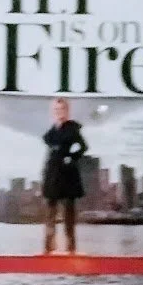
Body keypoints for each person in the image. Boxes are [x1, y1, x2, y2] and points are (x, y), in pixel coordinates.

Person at [42, 97, 88, 254]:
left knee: (68, 214)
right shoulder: (51, 132)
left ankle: (71, 248)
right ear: (53, 112)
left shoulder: (72, 129)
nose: (59, 112)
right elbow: (50, 151)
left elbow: (84, 147)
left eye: (61, 109)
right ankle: (48, 248)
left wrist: (71, 157)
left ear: (67, 111)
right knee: (50, 214)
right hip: (52, 174)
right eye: (56, 109)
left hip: (67, 175)